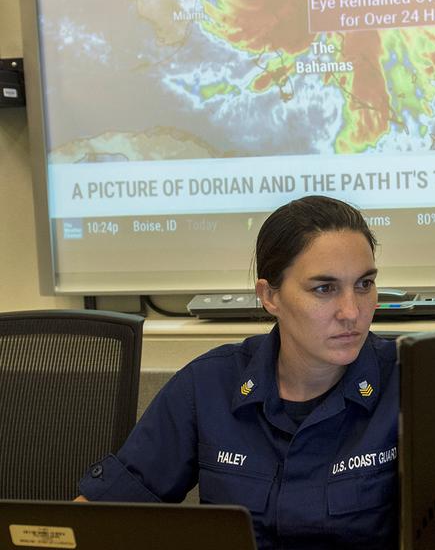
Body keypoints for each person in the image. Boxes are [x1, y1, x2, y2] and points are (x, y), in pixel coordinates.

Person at [77, 195, 398, 550]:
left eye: (364, 284)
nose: (352, 312)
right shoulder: (208, 384)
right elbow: (99, 519)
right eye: (324, 288)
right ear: (270, 296)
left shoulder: (409, 381)